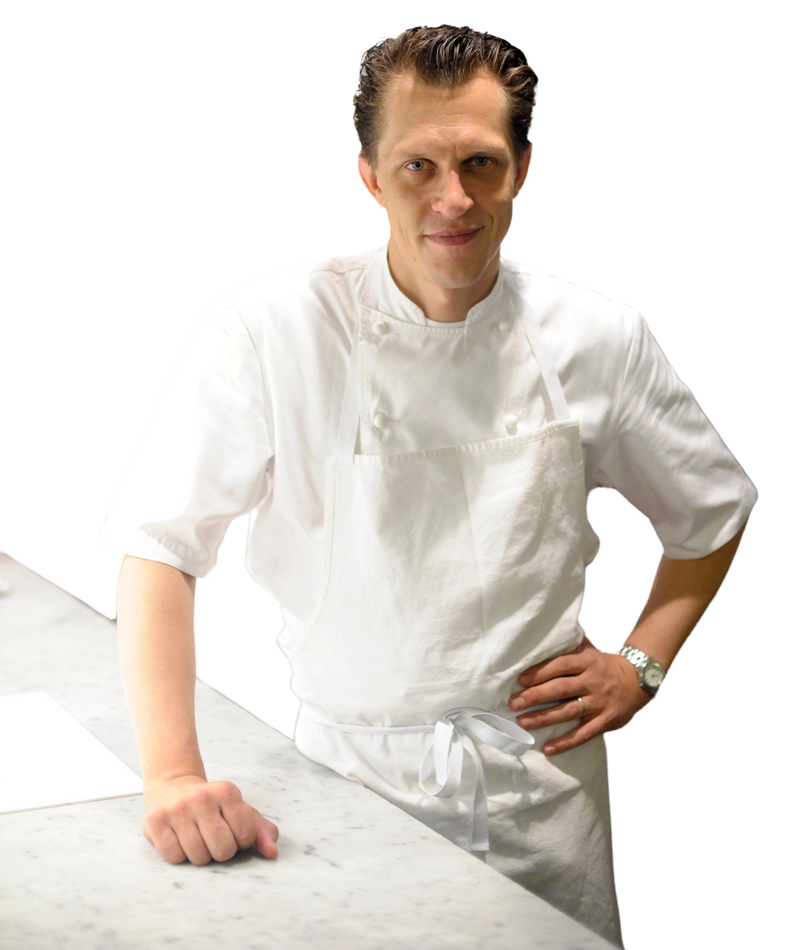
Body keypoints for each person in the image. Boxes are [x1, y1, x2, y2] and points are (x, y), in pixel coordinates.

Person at [97, 23, 760, 949]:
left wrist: (641, 663)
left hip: (543, 793)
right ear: (367, 175)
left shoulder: (597, 333)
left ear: (525, 167)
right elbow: (159, 549)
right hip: (344, 784)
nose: (455, 199)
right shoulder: (266, 325)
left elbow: (716, 513)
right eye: (418, 166)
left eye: (483, 164)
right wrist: (171, 776)